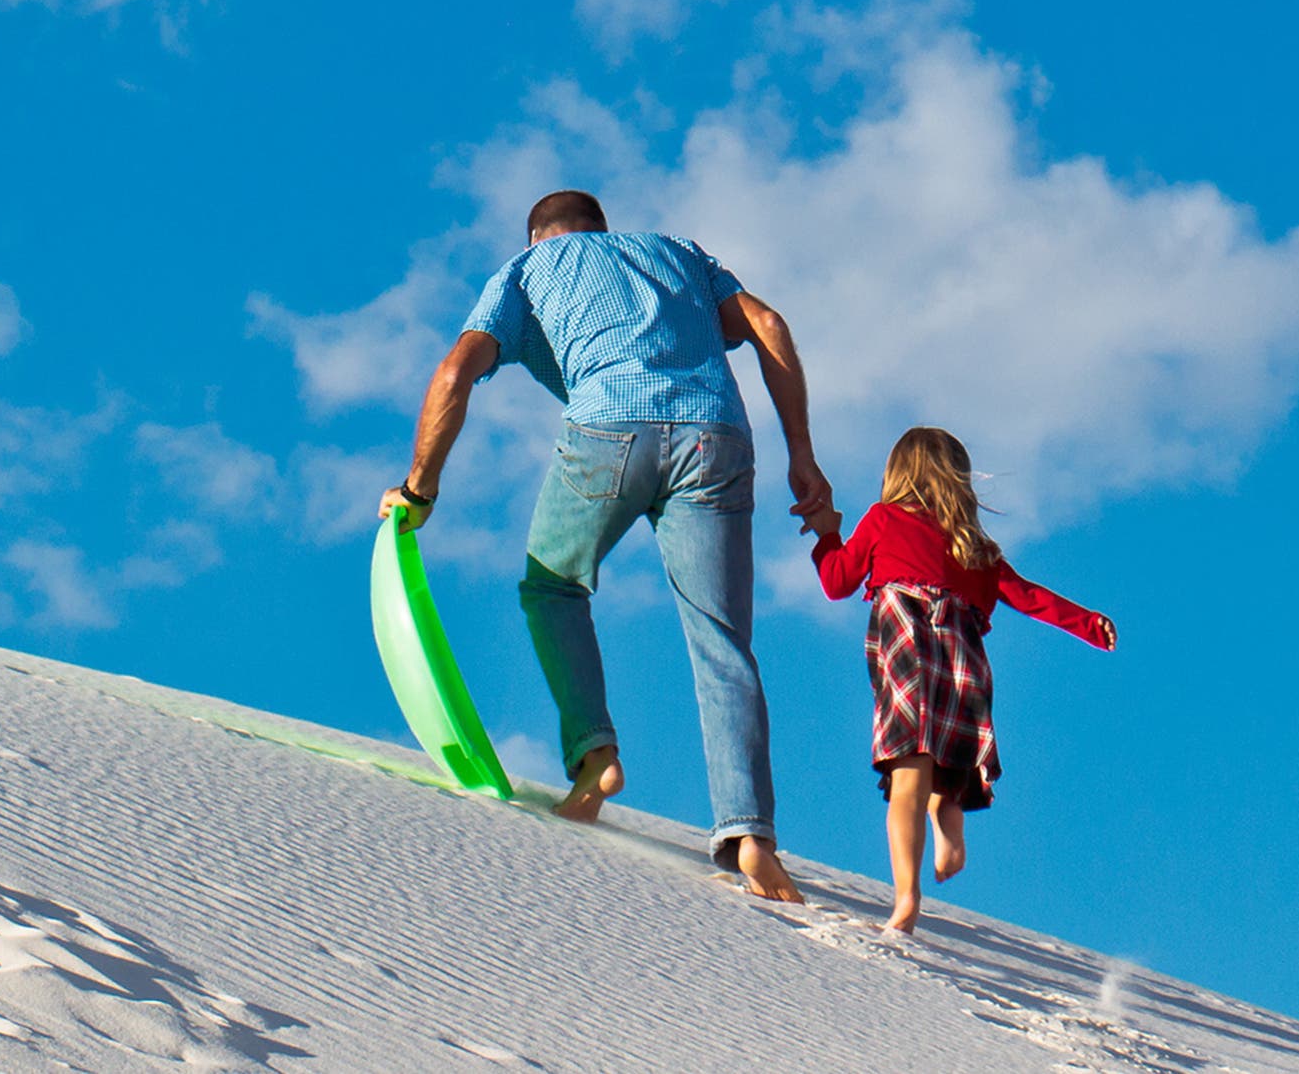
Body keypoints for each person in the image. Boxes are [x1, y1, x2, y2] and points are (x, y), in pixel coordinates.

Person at [378, 190, 830, 902]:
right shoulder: (678, 254)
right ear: (603, 229)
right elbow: (768, 323)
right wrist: (802, 454)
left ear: (539, 237)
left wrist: (419, 488)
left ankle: (594, 753)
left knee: (552, 587)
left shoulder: (528, 270)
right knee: (722, 642)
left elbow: (453, 372)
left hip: (609, 428)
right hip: (717, 437)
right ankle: (752, 837)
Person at [803, 426, 1117, 933]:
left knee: (908, 777)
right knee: (945, 776)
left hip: (908, 654)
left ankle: (907, 897)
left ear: (897, 474)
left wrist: (826, 535)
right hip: (961, 662)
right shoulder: (975, 549)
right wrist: (1088, 623)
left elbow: (838, 581)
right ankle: (950, 834)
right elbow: (1029, 597)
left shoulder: (883, 519)